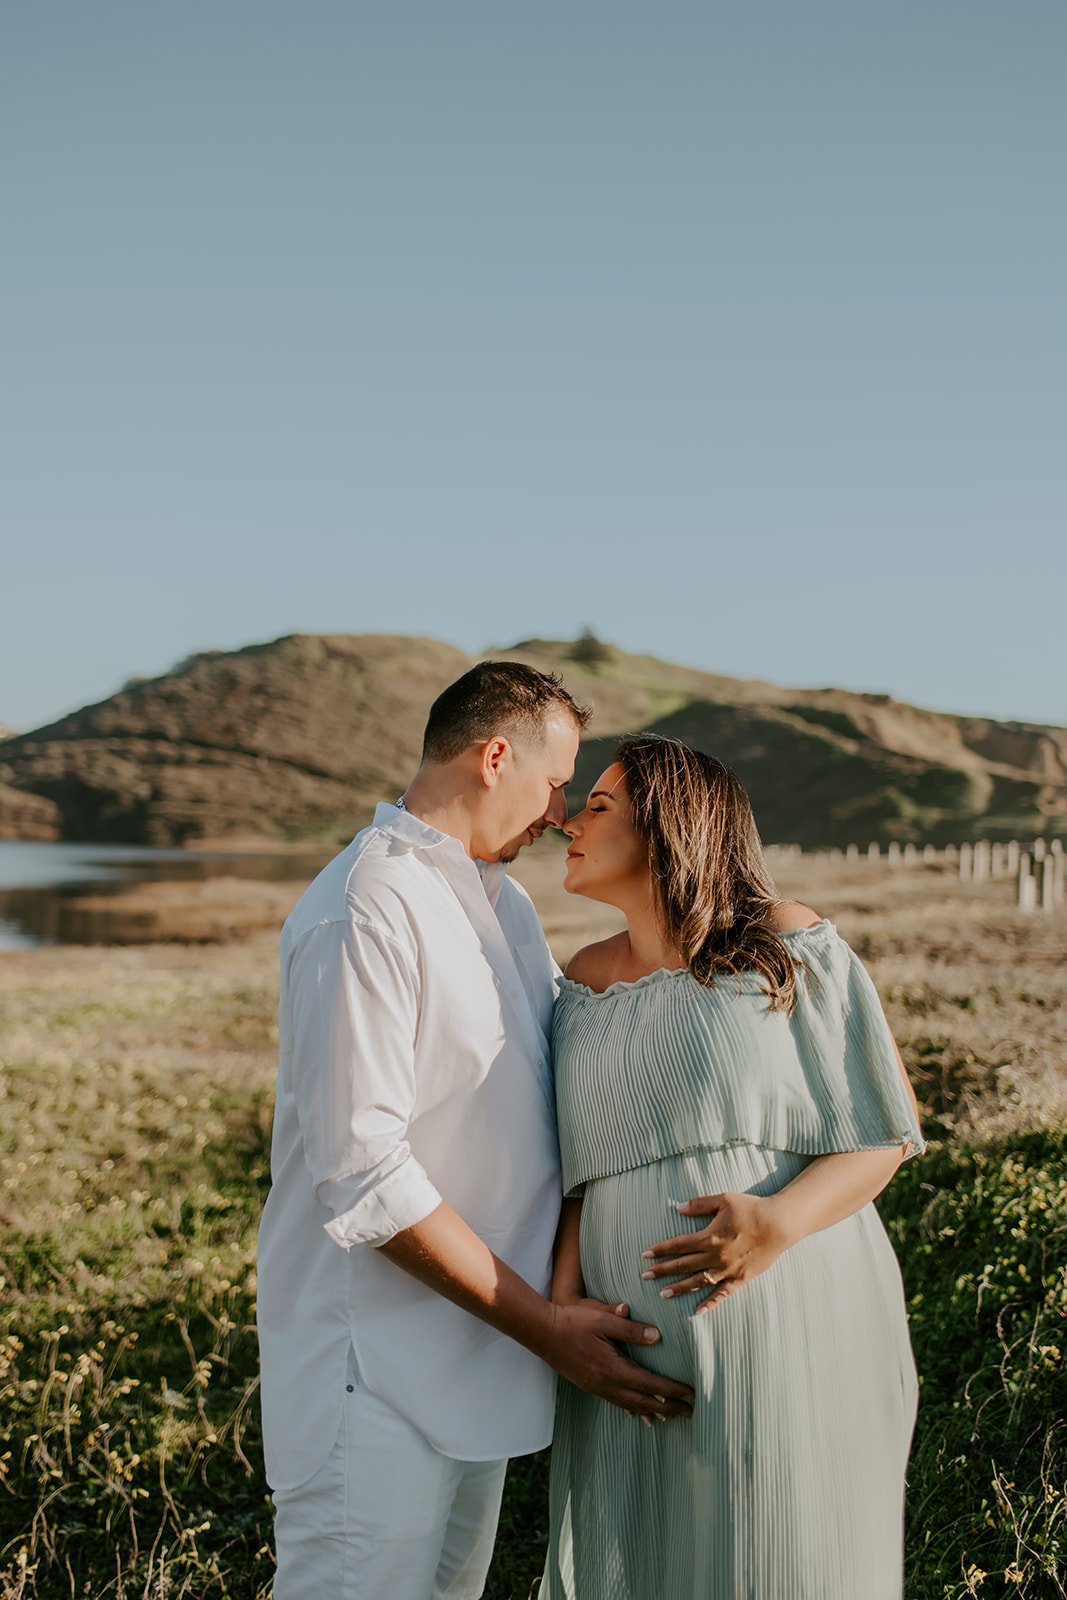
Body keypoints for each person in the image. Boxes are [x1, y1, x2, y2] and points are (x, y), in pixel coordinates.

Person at [256, 664, 692, 1600]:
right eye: (554, 783)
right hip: (370, 1378)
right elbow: (362, 1173)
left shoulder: (510, 907)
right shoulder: (362, 907)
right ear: (496, 757)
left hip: (478, 1360)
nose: (562, 811)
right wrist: (546, 1329)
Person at [541, 734, 925, 1600]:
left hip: (787, 1310)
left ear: (667, 826)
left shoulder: (780, 940)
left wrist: (778, 1223)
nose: (567, 817)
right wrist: (562, 1305)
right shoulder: (581, 980)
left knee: (785, 1556)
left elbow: (884, 1127)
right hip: (625, 1348)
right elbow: (578, 1171)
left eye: (597, 805)